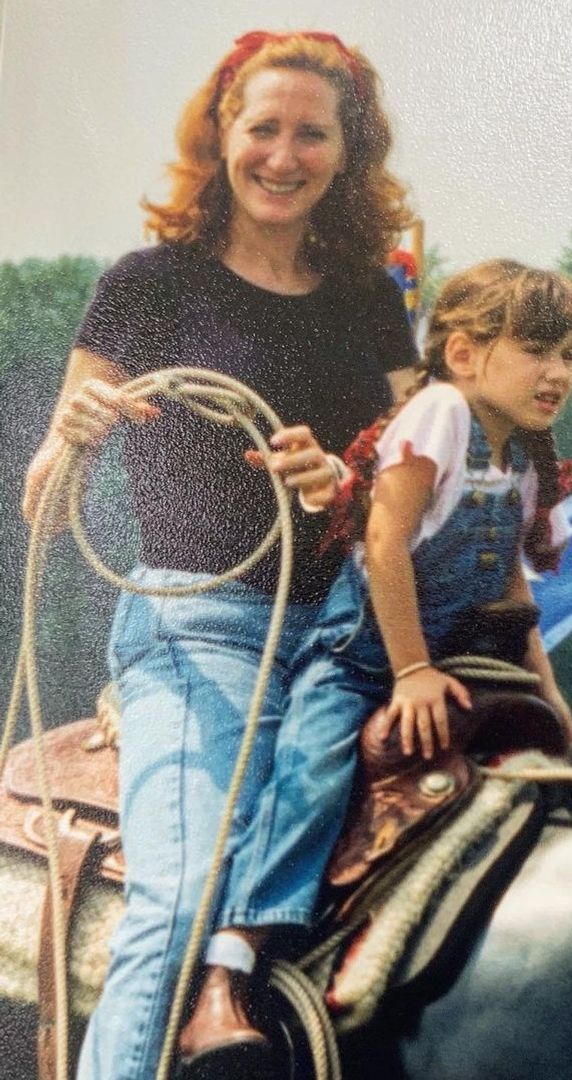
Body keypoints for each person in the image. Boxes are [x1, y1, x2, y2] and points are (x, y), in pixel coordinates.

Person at [20, 30, 418, 1080]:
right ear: (222, 136)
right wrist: (78, 436)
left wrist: (346, 482)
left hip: (345, 636)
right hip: (200, 627)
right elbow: (45, 508)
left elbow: (422, 489)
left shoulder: (374, 299)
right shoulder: (148, 286)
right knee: (187, 888)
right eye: (263, 129)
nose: (283, 156)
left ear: (348, 150)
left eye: (311, 134)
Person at [180, 259, 572, 1066]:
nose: (560, 372)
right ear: (467, 355)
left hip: (455, 663)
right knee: (312, 774)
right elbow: (384, 538)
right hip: (363, 658)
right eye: (539, 349)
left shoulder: (522, 460)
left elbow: (509, 585)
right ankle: (225, 970)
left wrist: (547, 692)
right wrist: (407, 671)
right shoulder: (439, 411)